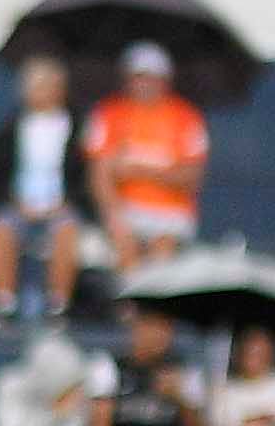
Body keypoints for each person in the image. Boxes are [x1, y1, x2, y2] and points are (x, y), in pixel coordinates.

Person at [0, 56, 96, 323]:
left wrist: (68, 201)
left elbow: (87, 174)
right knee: (0, 228)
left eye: (44, 85)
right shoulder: (10, 128)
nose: (37, 91)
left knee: (67, 230)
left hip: (61, 206)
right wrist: (13, 200)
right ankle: (2, 304)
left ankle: (57, 306)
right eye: (34, 86)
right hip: (18, 204)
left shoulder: (79, 127)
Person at [83, 41, 210, 269]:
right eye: (138, 77)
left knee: (162, 257)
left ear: (165, 80)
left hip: (171, 213)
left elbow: (191, 178)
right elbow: (100, 171)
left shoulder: (186, 117)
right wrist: (113, 213)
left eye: (151, 77)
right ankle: (129, 302)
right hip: (126, 209)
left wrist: (139, 171)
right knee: (125, 248)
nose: (144, 84)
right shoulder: (110, 113)